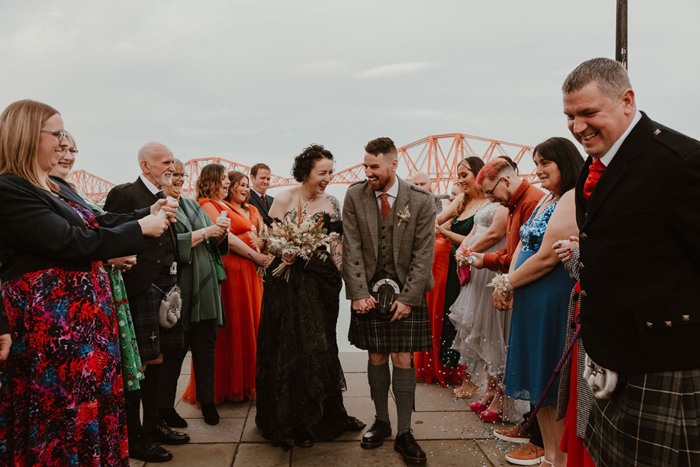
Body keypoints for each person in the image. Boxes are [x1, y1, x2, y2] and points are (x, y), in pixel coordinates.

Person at [0, 99, 170, 465]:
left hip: (83, 328)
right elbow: (68, 241)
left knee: (91, 407)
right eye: (57, 133)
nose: (63, 142)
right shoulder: (9, 189)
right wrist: (140, 229)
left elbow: (96, 223)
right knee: (63, 414)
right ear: (29, 136)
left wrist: (146, 213)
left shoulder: (50, 187)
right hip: (54, 332)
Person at [563, 57, 700, 466]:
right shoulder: (594, 164)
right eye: (570, 115)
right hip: (613, 353)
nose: (577, 127)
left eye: (588, 113)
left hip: (665, 359)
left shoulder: (680, 162)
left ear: (627, 101)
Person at [256, 144, 364, 449]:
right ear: (306, 173)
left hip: (322, 284)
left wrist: (351, 283)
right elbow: (268, 242)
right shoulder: (285, 198)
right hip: (287, 286)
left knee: (321, 346)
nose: (328, 177)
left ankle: (322, 416)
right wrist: (284, 251)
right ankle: (295, 421)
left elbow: (336, 247)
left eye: (331, 171)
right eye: (322, 172)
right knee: (291, 348)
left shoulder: (332, 202)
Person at [491, 137, 583, 467]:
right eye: (536, 163)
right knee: (539, 381)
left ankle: (560, 460)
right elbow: (521, 245)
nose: (538, 169)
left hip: (552, 299)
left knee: (552, 379)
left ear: (566, 163)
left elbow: (546, 257)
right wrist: (510, 283)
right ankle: (547, 453)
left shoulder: (572, 198)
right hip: (530, 298)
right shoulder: (548, 198)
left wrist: (504, 282)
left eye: (546, 163)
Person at [344, 137, 435, 464]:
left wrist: (410, 298)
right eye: (365, 165)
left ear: (393, 165)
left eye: (374, 167)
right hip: (369, 290)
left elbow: (425, 254)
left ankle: (405, 432)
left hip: (406, 289)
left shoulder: (421, 199)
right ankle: (381, 421)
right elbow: (351, 246)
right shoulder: (355, 195)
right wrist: (358, 293)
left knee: (403, 357)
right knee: (377, 354)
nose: (368, 172)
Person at [104, 141, 191, 462]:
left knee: (162, 359)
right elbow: (112, 233)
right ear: (146, 166)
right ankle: (135, 435)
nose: (173, 168)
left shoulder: (164, 196)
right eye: (166, 162)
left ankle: (154, 425)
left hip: (168, 289)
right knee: (139, 365)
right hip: (140, 288)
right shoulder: (124, 194)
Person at [49, 132, 145, 393]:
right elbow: (68, 241)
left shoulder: (67, 188)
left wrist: (147, 216)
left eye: (73, 151)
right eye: (61, 149)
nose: (67, 156)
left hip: (101, 292)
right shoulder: (38, 191)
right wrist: (108, 255)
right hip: (69, 303)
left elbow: (102, 222)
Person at [470, 156, 547, 465]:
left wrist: (500, 275)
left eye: (491, 192)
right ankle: (532, 425)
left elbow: (526, 255)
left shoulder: (532, 201)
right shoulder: (516, 203)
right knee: (527, 357)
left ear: (504, 180)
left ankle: (540, 437)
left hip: (534, 290)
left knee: (538, 362)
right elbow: (514, 251)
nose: (490, 200)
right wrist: (489, 261)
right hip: (521, 285)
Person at [182, 165, 269, 406]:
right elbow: (224, 236)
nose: (228, 184)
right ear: (212, 181)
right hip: (231, 270)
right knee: (230, 329)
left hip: (250, 274)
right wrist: (255, 256)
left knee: (247, 325)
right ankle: (224, 386)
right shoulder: (208, 204)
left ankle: (244, 383)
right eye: (224, 180)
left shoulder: (245, 207)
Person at [159, 159, 230, 427]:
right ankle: (165, 407)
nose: (179, 179)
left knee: (206, 349)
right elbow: (165, 246)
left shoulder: (191, 204)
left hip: (207, 286)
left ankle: (208, 403)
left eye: (182, 174)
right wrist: (205, 232)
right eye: (173, 174)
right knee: (173, 354)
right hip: (180, 289)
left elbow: (213, 243)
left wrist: (220, 234)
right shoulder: (157, 207)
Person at [448, 197, 508, 421]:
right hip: (476, 263)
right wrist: (462, 250)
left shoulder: (504, 205)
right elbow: (474, 230)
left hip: (489, 263)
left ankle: (500, 393)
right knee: (482, 329)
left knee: (495, 330)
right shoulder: (487, 202)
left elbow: (495, 234)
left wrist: (466, 253)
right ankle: (489, 388)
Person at [435, 157, 488, 397]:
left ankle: (471, 378)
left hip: (473, 269)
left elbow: (474, 242)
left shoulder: (488, 202)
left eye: (464, 175)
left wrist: (444, 233)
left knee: (468, 322)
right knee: (451, 318)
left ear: (479, 174)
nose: (460, 180)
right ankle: (452, 369)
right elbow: (436, 221)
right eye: (459, 175)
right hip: (451, 267)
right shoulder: (461, 199)